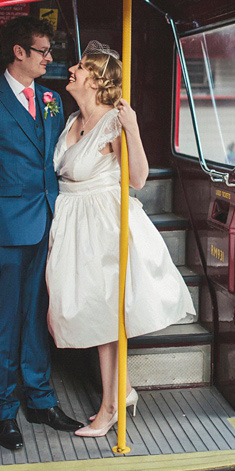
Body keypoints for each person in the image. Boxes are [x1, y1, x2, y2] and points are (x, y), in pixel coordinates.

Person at [45, 41, 195, 437]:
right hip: (74, 222)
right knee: (91, 312)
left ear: (95, 79)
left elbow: (138, 178)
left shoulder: (114, 122)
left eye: (80, 67)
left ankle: (110, 407)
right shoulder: (73, 119)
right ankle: (121, 391)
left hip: (103, 226)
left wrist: (133, 129)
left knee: (105, 315)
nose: (71, 71)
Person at [0, 16, 82, 451]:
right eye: (43, 52)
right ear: (19, 52)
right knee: (2, 323)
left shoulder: (51, 98)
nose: (50, 59)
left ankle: (39, 399)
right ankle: (0, 407)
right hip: (8, 233)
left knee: (39, 317)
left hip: (49, 226)